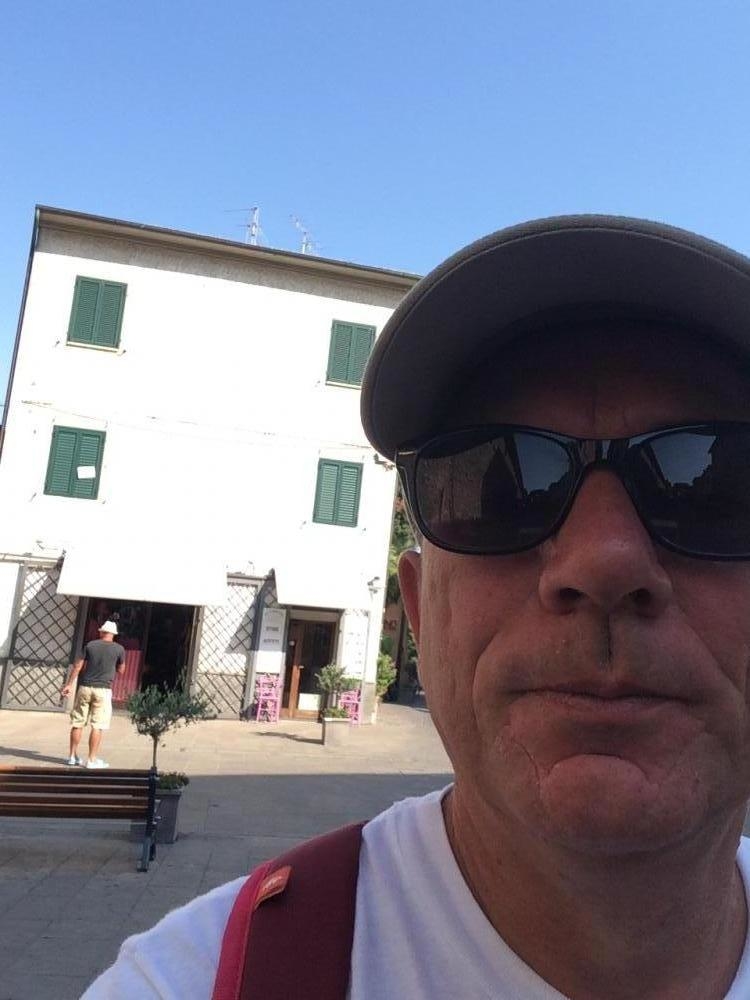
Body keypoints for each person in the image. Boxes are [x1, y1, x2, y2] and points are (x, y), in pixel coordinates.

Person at [85, 216, 750, 998]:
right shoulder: (194, 982)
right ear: (420, 612)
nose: (602, 560)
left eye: (718, 489)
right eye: (504, 489)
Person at [62, 619, 125, 769]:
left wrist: (69, 684)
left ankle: (72, 756)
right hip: (103, 689)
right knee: (98, 725)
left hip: (85, 687)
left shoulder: (90, 645)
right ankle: (91, 759)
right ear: (113, 634)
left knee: (77, 722)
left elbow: (78, 666)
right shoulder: (119, 649)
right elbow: (122, 670)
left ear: (101, 632)